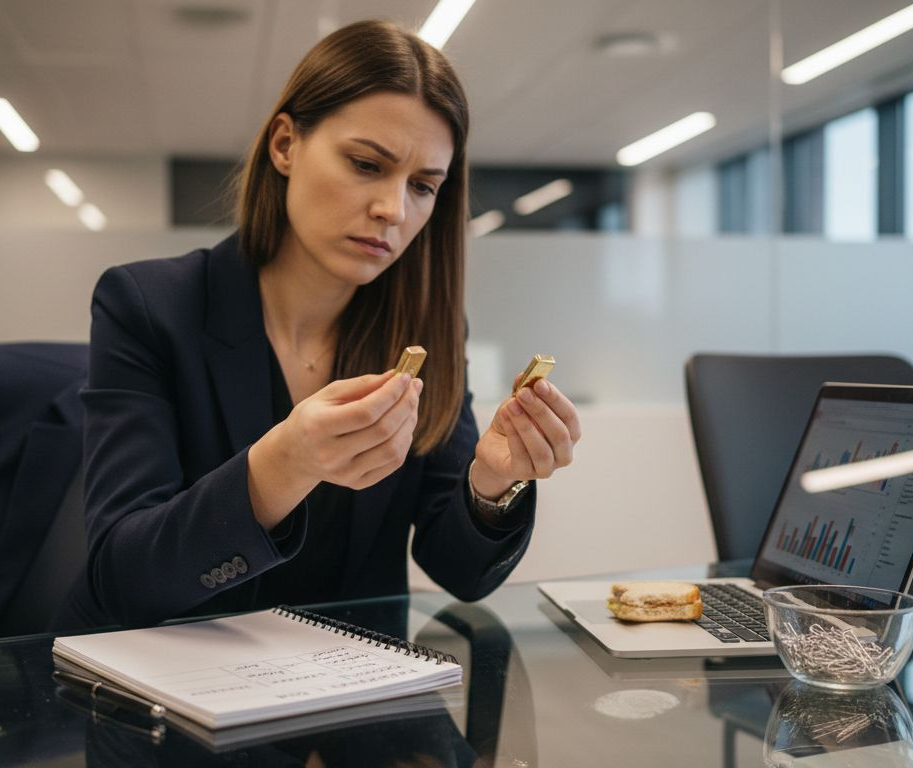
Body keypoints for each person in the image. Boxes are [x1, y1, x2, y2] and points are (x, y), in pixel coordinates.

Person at [55, 19, 581, 630]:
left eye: (422, 186)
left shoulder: (422, 327)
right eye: (365, 164)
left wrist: (492, 484)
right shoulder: (149, 305)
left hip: (360, 678)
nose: (393, 210)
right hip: (174, 677)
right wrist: (285, 464)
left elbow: (460, 572)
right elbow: (121, 579)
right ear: (285, 144)